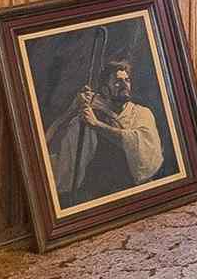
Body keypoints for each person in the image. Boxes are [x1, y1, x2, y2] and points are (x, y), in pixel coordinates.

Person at [44, 44, 166, 205]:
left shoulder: (142, 114)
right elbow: (54, 146)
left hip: (135, 192)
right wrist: (73, 109)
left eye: (127, 80)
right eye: (117, 82)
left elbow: (138, 141)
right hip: (96, 196)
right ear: (105, 89)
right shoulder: (91, 112)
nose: (124, 85)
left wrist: (96, 125)